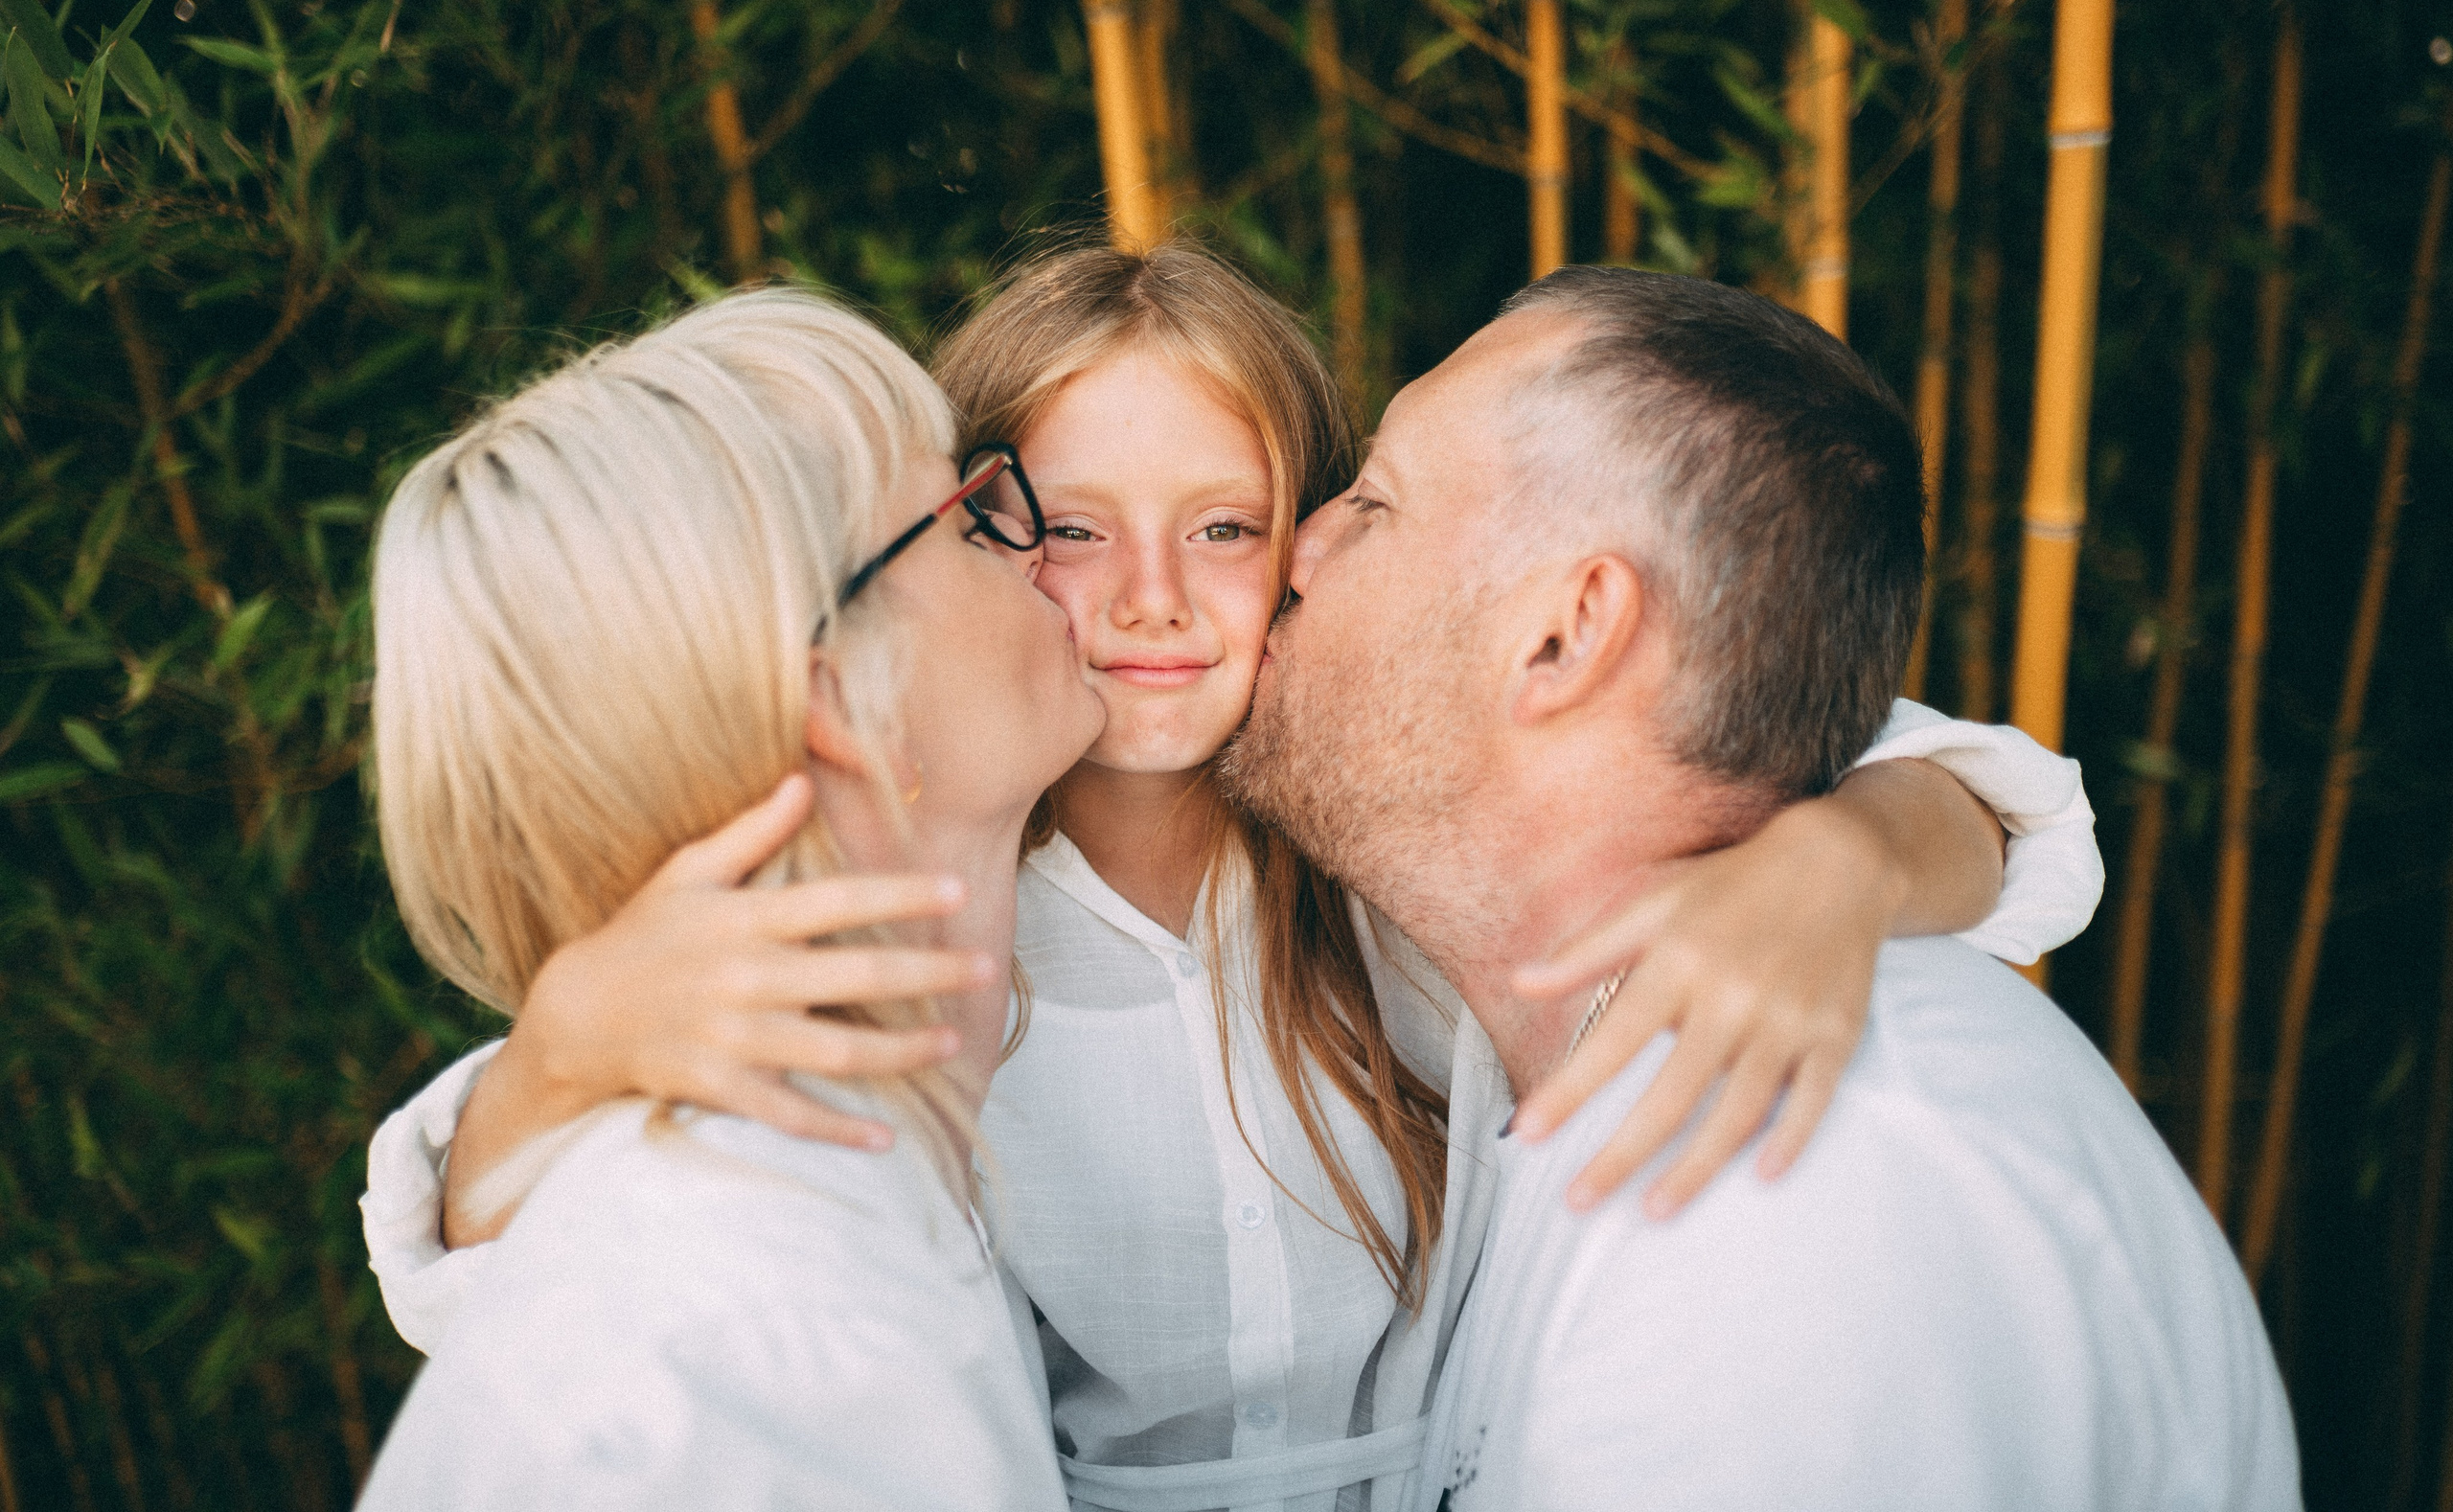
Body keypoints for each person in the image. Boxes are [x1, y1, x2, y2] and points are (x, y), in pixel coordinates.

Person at [363, 245, 2105, 1511]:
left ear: (1315, 552)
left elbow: (1967, 798)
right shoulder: (912, 959)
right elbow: (499, 1258)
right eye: (1040, 524)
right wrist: (568, 1040)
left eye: (1224, 527)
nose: (1144, 599)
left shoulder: (1383, 825)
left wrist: (1834, 855)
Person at [1217, 265, 2298, 1510]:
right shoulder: (1550, 1049)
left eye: (1376, 502)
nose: (1296, 545)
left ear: (1565, 636)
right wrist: (1864, 848)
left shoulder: (1776, 1209)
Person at [354, 290, 1089, 1509]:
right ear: (840, 700)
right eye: (964, 521)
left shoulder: (831, 1195)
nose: (1040, 543)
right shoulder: (762, 1341)